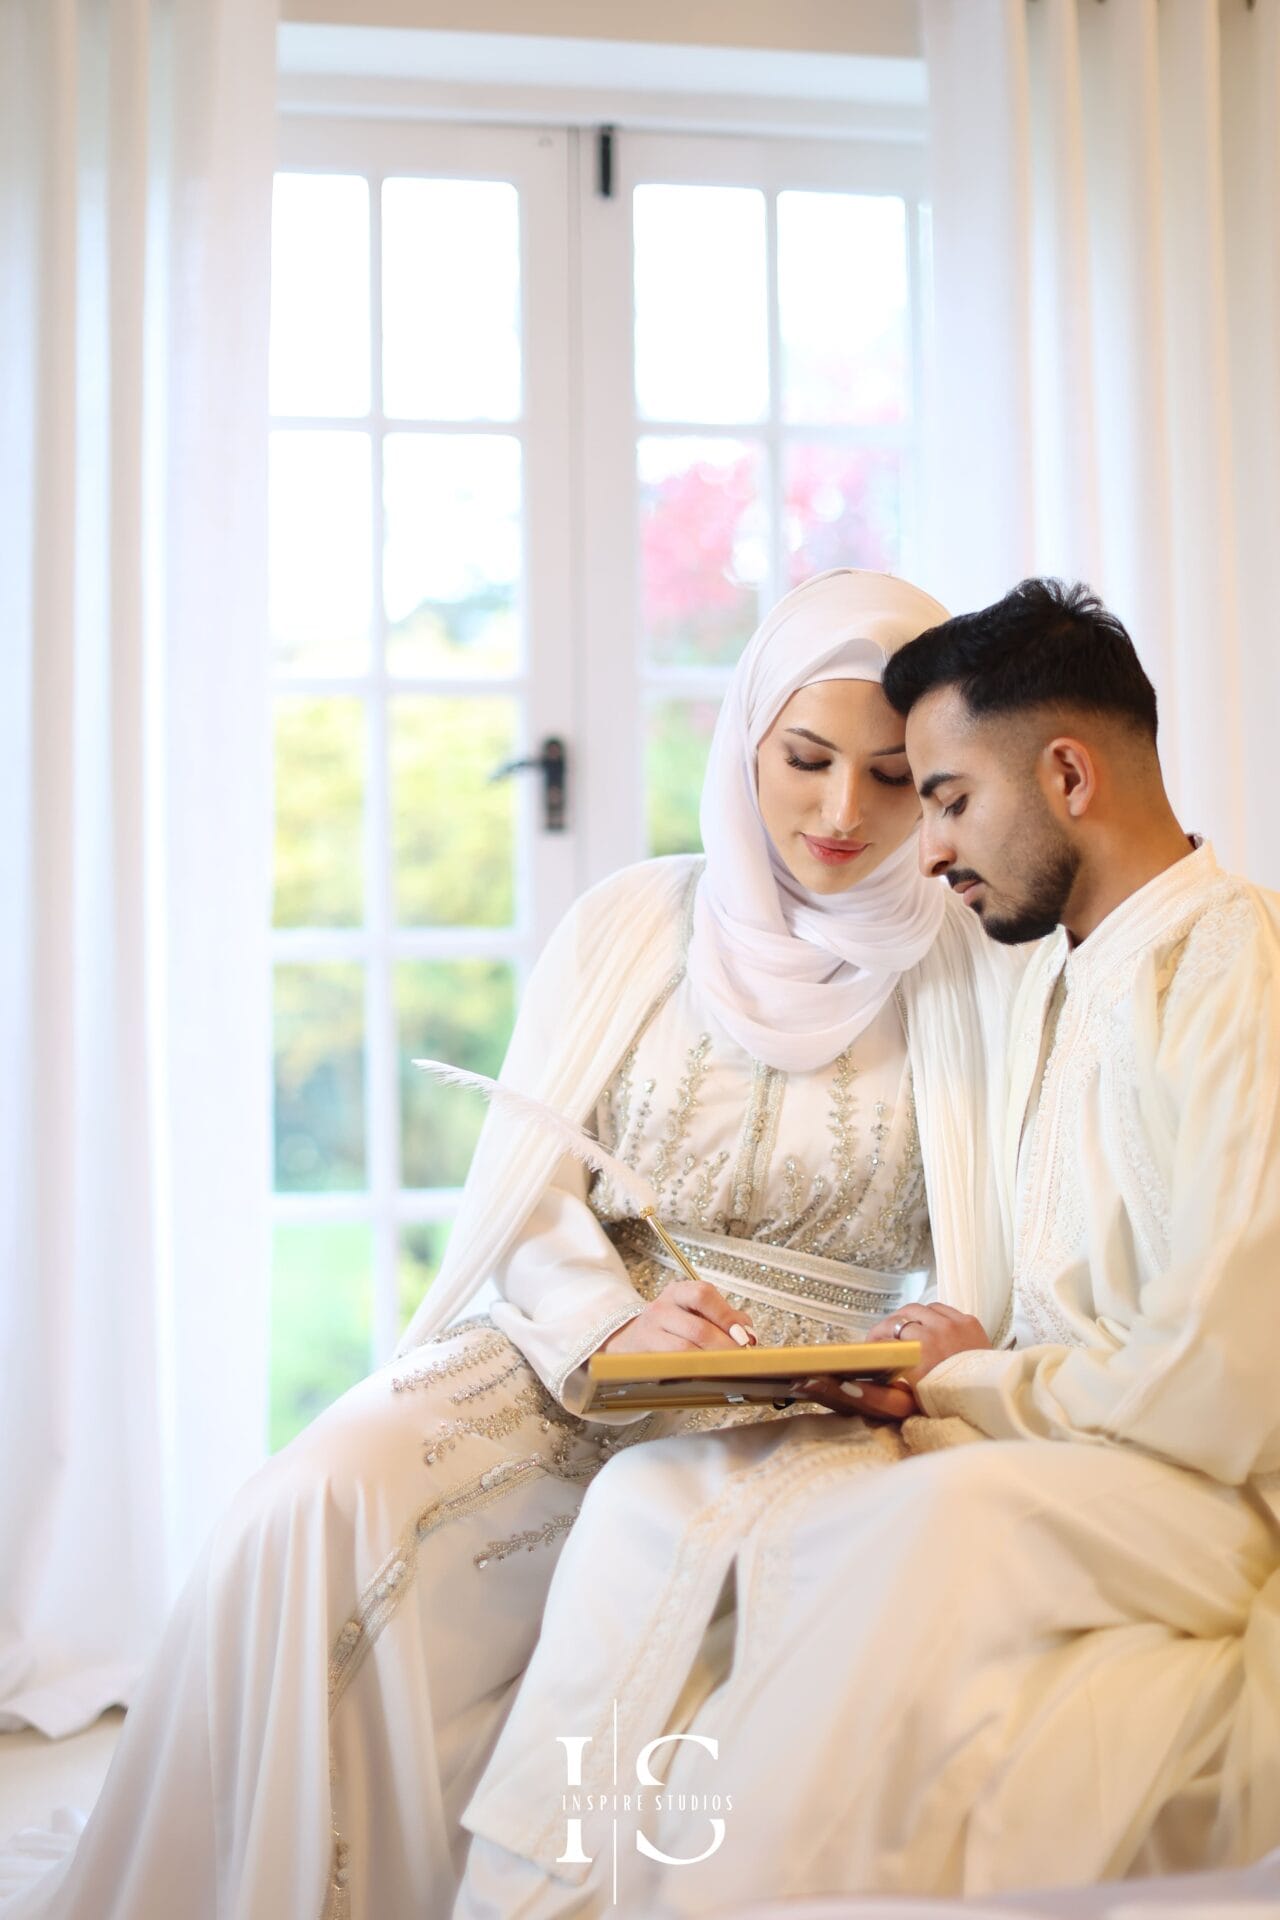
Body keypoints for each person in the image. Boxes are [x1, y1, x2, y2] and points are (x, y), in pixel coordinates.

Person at [0, 570, 1022, 1920]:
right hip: (580, 1347)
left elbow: (1005, 1234)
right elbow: (531, 1187)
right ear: (745, 744)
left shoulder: (970, 965)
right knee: (312, 1502)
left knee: (684, 1578)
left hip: (822, 1401)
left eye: (892, 779)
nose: (841, 814)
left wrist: (934, 1337)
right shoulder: (633, 925)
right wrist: (609, 1322)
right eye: (807, 759)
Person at [452, 578, 1280, 1918]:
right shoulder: (1060, 974)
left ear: (1066, 774)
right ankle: (536, 1894)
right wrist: (933, 1355)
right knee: (650, 1507)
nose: (922, 845)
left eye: (943, 796)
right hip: (1060, 1441)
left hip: (1200, 1482)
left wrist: (967, 1381)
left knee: (904, 1532)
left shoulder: (1230, 965)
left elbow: (1220, 1388)